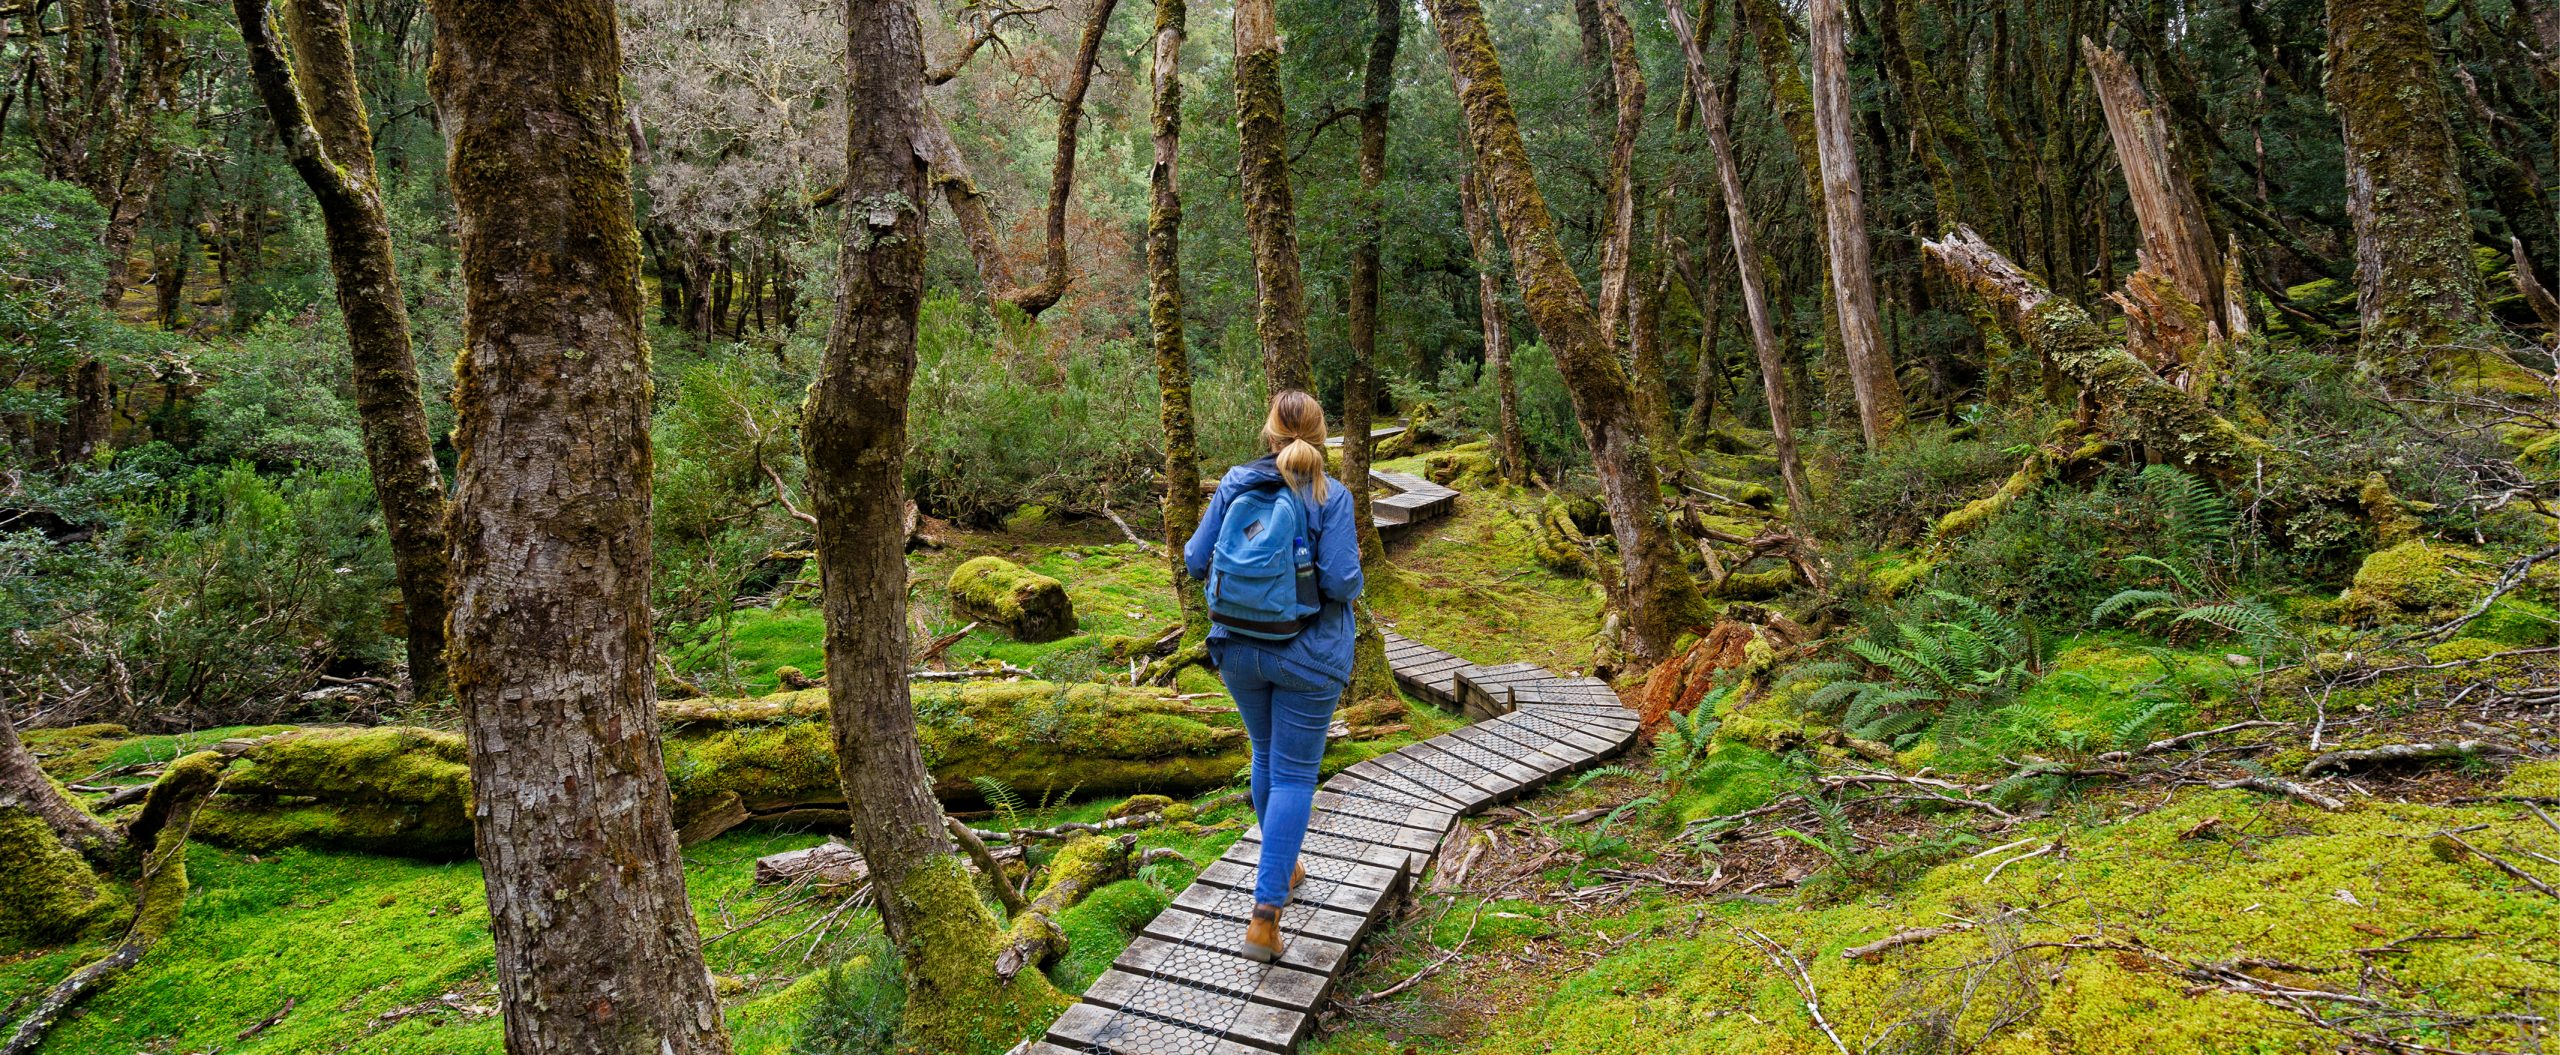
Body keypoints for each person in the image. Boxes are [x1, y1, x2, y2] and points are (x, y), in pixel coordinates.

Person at [1183, 389, 1364, 962]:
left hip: (1237, 648)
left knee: (1265, 755)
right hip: (1308, 656)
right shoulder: (1330, 496)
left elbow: (1194, 559)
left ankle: (1282, 870)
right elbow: (1339, 583)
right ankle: (1264, 918)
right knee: (1292, 777)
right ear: (1320, 434)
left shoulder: (1237, 481)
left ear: (1269, 433)